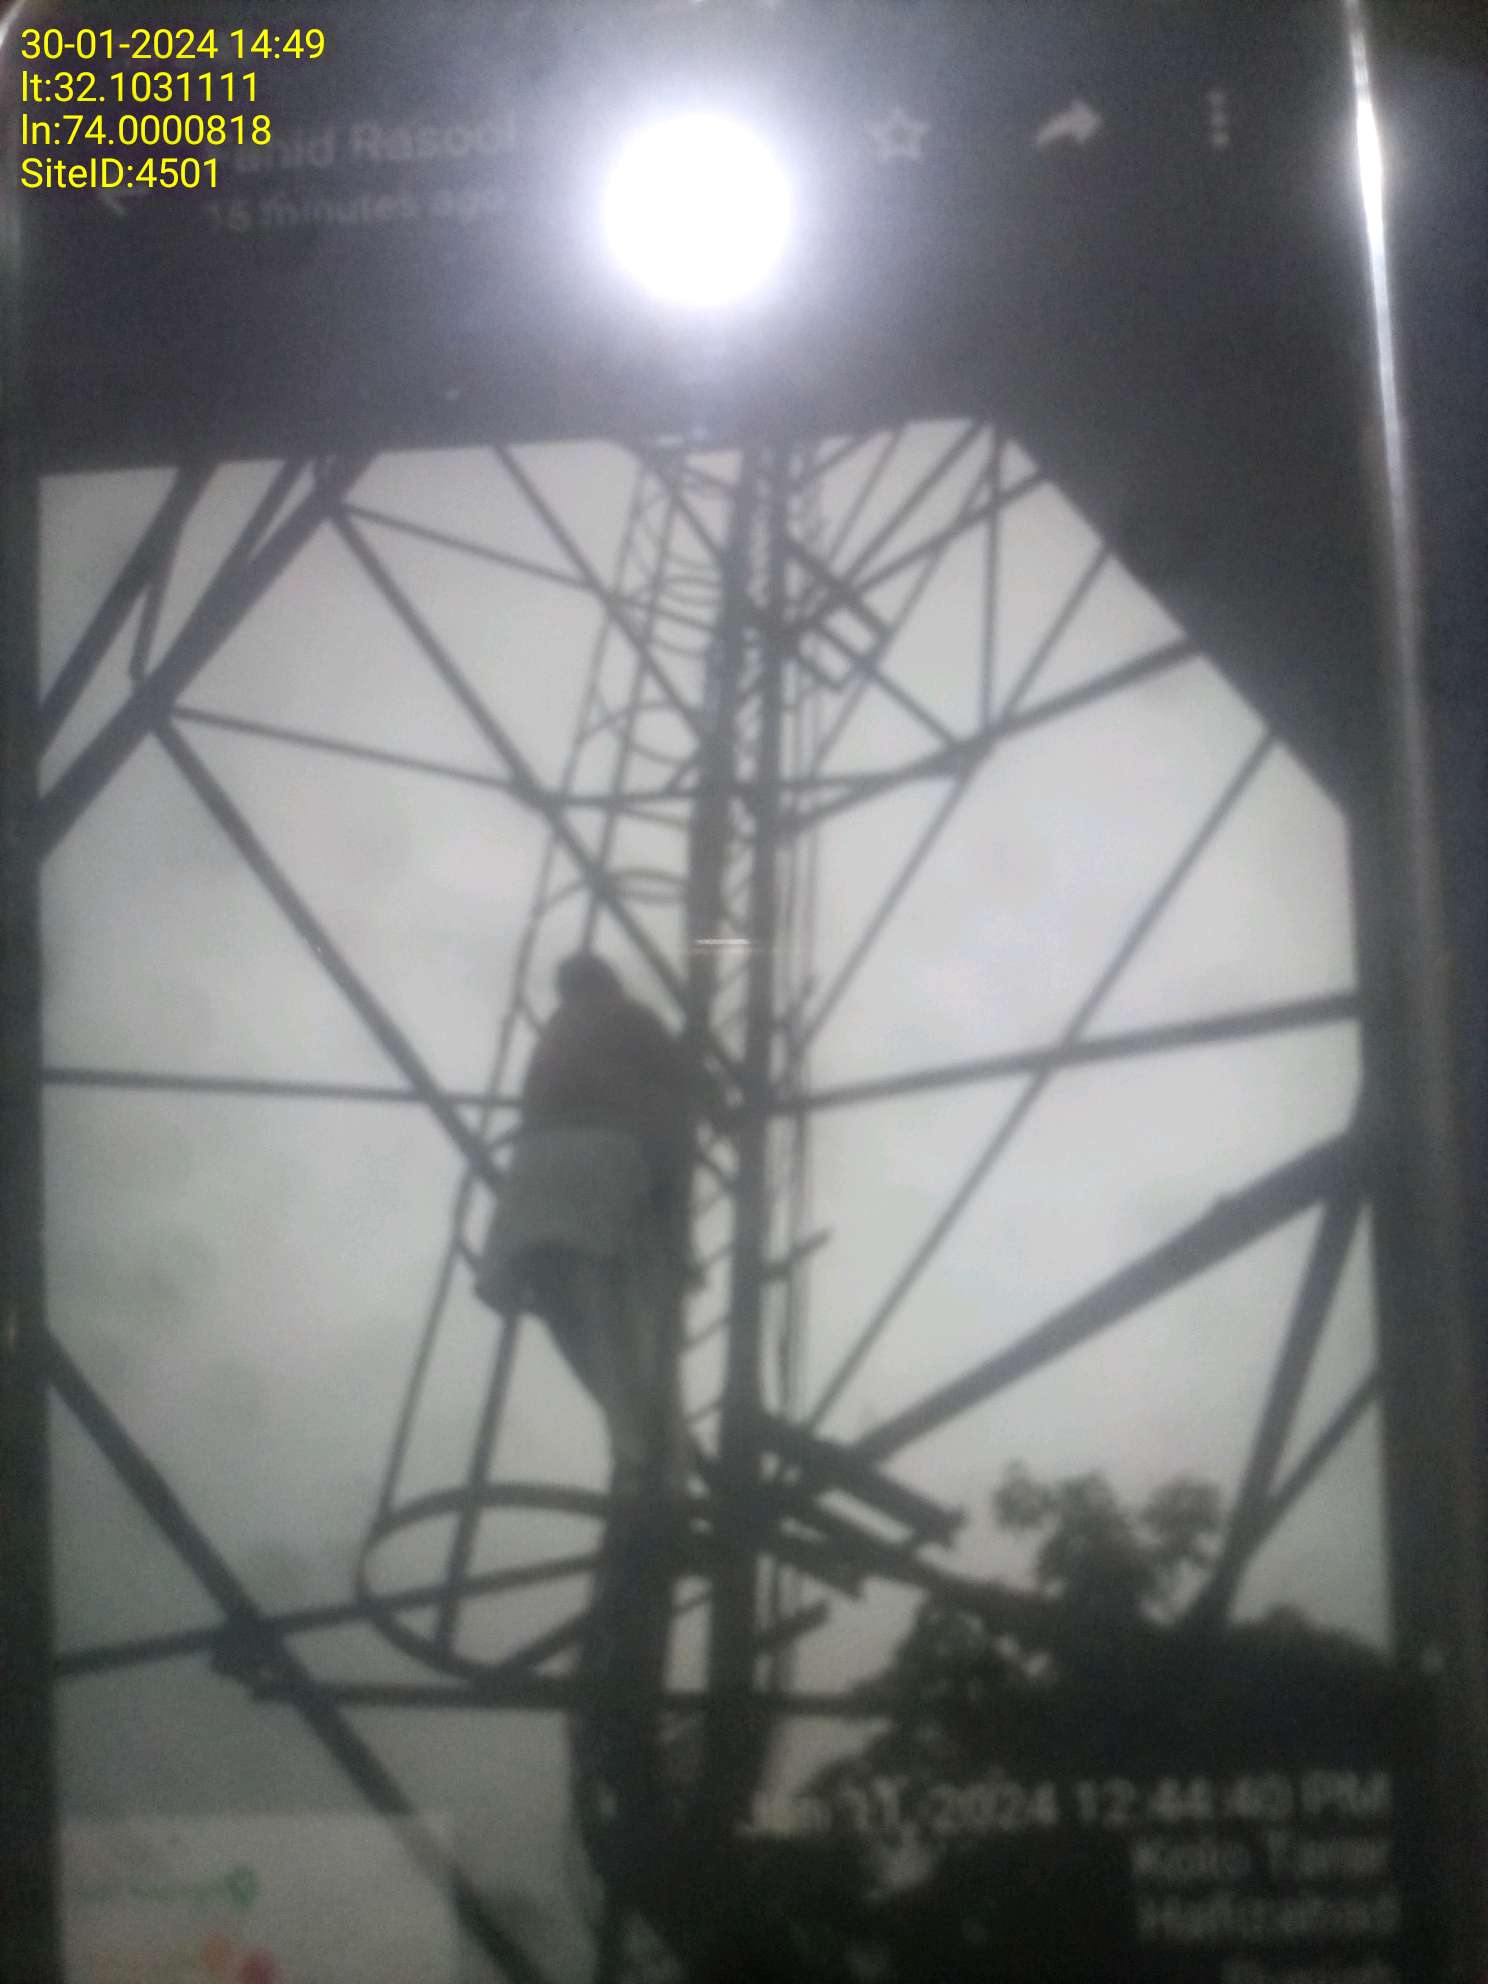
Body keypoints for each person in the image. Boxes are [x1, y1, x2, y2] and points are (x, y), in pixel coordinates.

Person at [475, 953, 705, 1505]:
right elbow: (689, 1085)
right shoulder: (629, 1016)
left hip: (530, 1186)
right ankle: (651, 1458)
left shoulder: (553, 1036)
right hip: (602, 1168)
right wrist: (726, 1110)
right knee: (631, 1322)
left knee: (572, 1316)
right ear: (609, 982)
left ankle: (638, 1450)